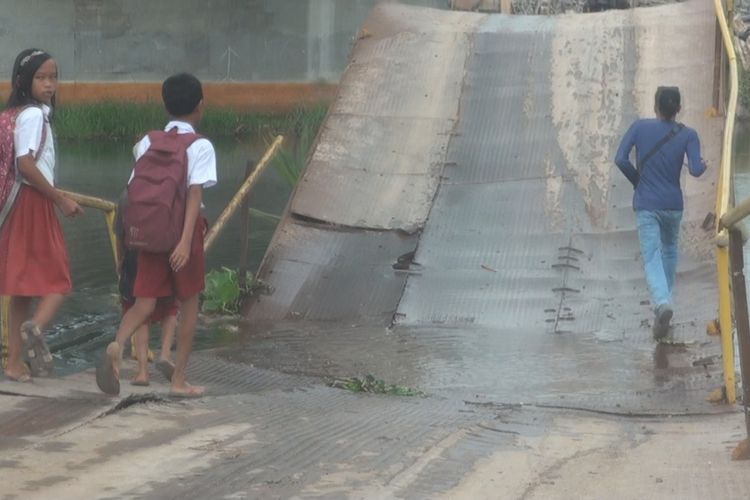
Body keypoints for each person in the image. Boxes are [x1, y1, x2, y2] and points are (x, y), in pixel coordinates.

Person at [96, 73, 216, 397]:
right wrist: (185, 241)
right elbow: (194, 194)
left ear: (165, 104)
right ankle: (178, 381)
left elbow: (133, 190)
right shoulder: (200, 145)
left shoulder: (147, 141)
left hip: (148, 233)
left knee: (144, 303)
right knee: (188, 305)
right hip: (181, 237)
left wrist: (129, 236)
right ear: (200, 105)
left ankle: (117, 344)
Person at [0, 49, 84, 382]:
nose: (50, 84)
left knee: (20, 288)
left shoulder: (13, 113)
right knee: (60, 280)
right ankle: (35, 328)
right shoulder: (34, 115)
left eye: (53, 77)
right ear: (24, 81)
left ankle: (14, 363)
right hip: (34, 201)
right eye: (41, 78)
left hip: (14, 205)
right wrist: (60, 199)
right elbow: (26, 165)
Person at [615, 86, 707, 339]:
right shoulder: (689, 135)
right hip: (673, 205)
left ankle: (662, 303)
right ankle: (664, 303)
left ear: (656, 107)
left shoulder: (639, 127)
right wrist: (704, 164)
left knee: (652, 256)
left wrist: (638, 181)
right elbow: (697, 170)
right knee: (669, 251)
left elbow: (620, 158)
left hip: (647, 205)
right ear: (678, 108)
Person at [115, 191, 179, 386]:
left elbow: (120, 235)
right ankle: (166, 354)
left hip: (134, 255)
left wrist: (120, 260)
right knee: (170, 307)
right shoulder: (172, 192)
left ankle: (142, 371)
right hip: (166, 253)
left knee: (139, 310)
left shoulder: (127, 197)